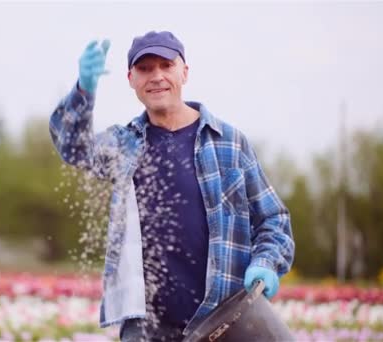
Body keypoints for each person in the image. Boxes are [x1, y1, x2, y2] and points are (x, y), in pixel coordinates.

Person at [49, 31, 294, 341]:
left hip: (224, 321)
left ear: (185, 72)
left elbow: (273, 219)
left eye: (166, 65)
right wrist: (83, 90)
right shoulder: (125, 145)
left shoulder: (229, 143)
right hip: (147, 326)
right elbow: (73, 148)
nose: (157, 76)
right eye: (145, 69)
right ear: (130, 79)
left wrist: (266, 262)